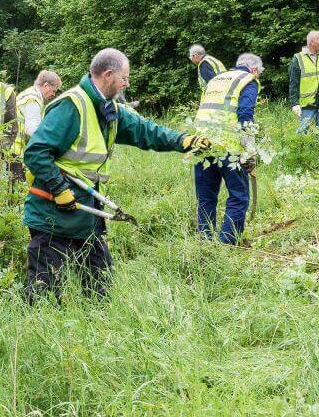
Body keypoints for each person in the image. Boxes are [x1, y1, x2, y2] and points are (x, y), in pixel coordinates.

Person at [23, 48, 211, 301]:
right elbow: (35, 152)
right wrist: (59, 189)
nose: (127, 83)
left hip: (85, 213)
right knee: (43, 294)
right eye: (125, 78)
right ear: (108, 75)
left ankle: (97, 331)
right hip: (53, 216)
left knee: (100, 289)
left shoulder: (109, 110)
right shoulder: (72, 106)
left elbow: (147, 131)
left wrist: (184, 140)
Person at [194, 53, 261, 245]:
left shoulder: (216, 79)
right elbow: (246, 114)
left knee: (206, 197)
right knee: (238, 197)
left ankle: (204, 243)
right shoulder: (248, 80)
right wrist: (249, 150)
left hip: (202, 146)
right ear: (254, 69)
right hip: (229, 149)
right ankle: (226, 244)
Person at [10, 70, 62, 180]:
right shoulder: (32, 99)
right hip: (14, 149)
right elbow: (32, 129)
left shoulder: (28, 94)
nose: (53, 94)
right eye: (54, 90)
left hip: (11, 147)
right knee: (16, 187)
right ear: (46, 85)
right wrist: (49, 145)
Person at [288, 31, 319, 134]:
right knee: (303, 130)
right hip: (308, 103)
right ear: (312, 42)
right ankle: (298, 148)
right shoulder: (298, 59)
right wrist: (295, 103)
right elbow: (294, 83)